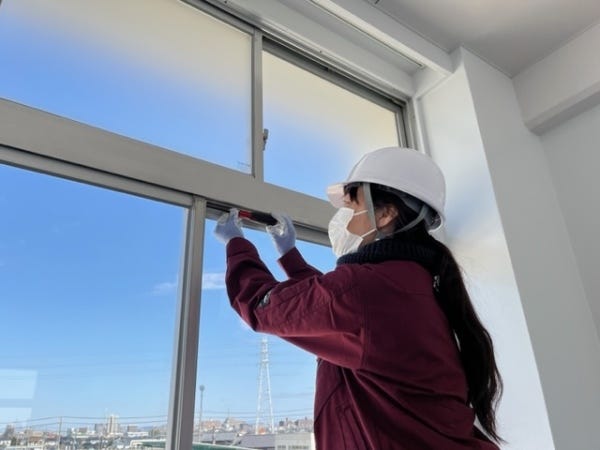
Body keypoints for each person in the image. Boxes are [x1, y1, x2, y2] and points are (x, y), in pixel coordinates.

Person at [214, 146, 503, 449]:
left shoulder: (366, 289)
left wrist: (236, 244)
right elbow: (336, 309)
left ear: (386, 213)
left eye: (352, 208)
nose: (345, 221)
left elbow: (261, 306)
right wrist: (289, 256)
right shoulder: (414, 283)